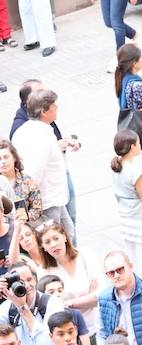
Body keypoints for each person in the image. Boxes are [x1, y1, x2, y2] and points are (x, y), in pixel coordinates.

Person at [12, 91, 72, 236]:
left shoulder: (27, 130)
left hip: (54, 200)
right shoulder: (40, 136)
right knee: (55, 241)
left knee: (68, 233)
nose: (57, 107)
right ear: (44, 111)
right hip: (46, 203)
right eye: (53, 106)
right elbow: (33, 174)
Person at [34, 220, 101, 341]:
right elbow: (53, 306)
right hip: (69, 334)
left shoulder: (85, 255)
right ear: (42, 247)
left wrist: (69, 302)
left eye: (56, 238)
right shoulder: (44, 271)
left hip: (97, 326)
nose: (54, 244)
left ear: (64, 237)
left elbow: (100, 296)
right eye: (47, 242)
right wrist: (88, 298)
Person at [110, 132, 142, 283]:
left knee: (132, 257)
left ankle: (134, 283)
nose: (140, 145)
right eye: (138, 143)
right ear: (132, 147)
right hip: (140, 220)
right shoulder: (135, 172)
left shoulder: (116, 167)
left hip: (125, 218)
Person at [0, 140, 41, 227]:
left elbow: (37, 209)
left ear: (14, 158)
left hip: (27, 230)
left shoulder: (28, 181)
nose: (3, 161)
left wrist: (23, 219)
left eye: (6, 157)